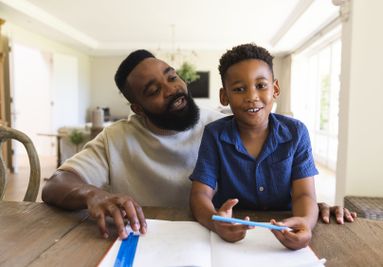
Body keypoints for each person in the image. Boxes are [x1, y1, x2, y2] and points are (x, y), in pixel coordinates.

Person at [42, 49, 356, 241]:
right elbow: (56, 184)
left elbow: (277, 173)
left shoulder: (223, 122)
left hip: (227, 240)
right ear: (137, 108)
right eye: (153, 90)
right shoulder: (116, 138)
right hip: (153, 243)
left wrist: (310, 207)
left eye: (172, 76)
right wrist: (92, 194)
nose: (173, 89)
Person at [190, 43, 319, 250]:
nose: (251, 96)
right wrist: (215, 221)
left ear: (275, 89)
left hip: (284, 227)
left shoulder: (296, 132)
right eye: (239, 89)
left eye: (261, 85)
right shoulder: (214, 134)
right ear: (225, 96)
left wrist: (305, 222)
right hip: (232, 231)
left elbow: (305, 194)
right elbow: (200, 194)